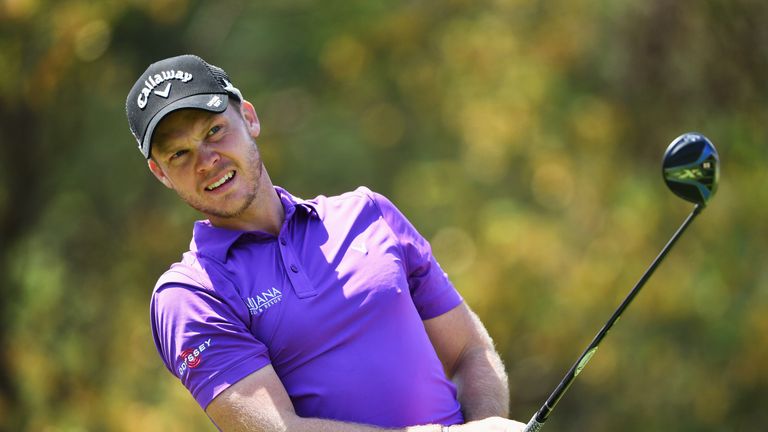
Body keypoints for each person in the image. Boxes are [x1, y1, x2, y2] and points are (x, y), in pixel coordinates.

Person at [126, 54, 526, 432]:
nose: (207, 160)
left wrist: (484, 424)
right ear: (160, 173)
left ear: (249, 118)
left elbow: (469, 352)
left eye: (214, 131)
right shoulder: (190, 295)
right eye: (180, 153)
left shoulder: (368, 214)